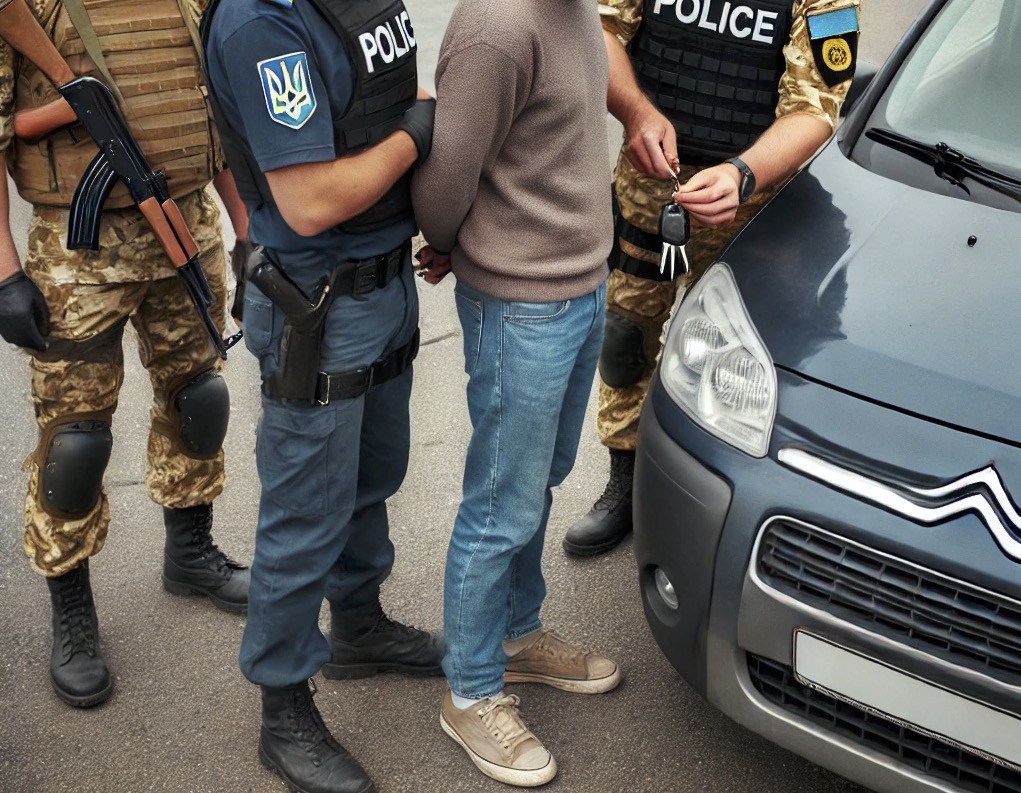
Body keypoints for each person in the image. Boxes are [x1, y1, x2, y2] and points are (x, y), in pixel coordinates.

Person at [201, 1, 444, 791]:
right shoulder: (260, 22)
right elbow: (307, 201)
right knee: (305, 510)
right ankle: (282, 706)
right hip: (318, 299)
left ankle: (359, 626)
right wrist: (416, 134)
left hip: (385, 284)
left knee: (373, 475)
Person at [0, 0, 252, 710]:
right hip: (73, 255)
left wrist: (247, 229)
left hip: (186, 229)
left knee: (200, 399)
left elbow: (215, 119)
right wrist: (5, 273)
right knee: (74, 444)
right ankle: (72, 606)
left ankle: (191, 552)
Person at [562, 0, 862, 557]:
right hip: (649, 194)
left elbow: (816, 109)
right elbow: (598, 31)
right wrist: (636, 113)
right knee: (623, 342)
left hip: (755, 212)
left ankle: (731, 502)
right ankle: (625, 482)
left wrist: (742, 174)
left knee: (751, 366)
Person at [410, 0, 622, 786]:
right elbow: (446, 180)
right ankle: (469, 691)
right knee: (501, 502)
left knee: (539, 479)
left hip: (582, 285)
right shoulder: (498, 28)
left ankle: (514, 633)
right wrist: (448, 242)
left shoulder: (574, 10)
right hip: (521, 306)